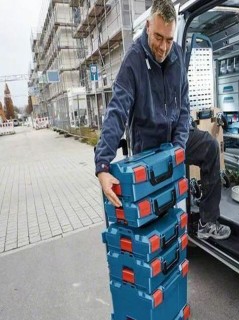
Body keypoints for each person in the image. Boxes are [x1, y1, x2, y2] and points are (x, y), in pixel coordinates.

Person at [94, 0, 230, 240]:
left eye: (169, 39)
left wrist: (179, 146)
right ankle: (161, 242)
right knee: (159, 206)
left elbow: (184, 106)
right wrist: (102, 166)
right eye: (158, 37)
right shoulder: (133, 61)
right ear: (148, 26)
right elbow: (117, 111)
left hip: (174, 138)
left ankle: (207, 222)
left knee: (209, 147)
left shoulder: (176, 54)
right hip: (149, 145)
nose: (163, 47)